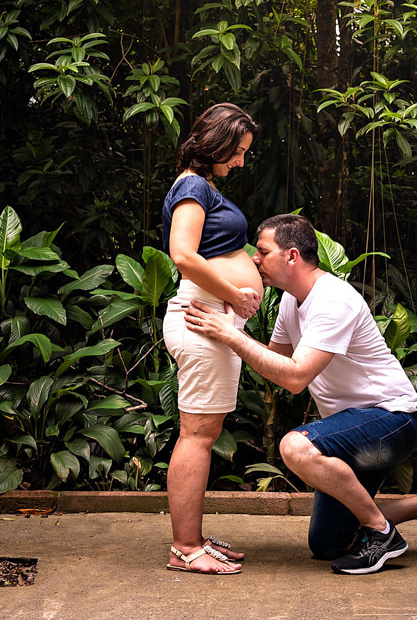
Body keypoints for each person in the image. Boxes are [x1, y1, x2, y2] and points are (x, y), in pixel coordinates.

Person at [185, 213, 417, 574]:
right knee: (328, 544)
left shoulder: (333, 300)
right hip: (350, 430)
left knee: (295, 446)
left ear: (291, 256)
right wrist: (231, 329)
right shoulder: (292, 299)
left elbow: (295, 377)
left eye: (262, 251)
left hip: (393, 420)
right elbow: (275, 363)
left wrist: (232, 337)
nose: (254, 259)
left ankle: (383, 534)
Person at [160, 103, 262, 575]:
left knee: (205, 433)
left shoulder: (202, 186)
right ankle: (185, 547)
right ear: (217, 142)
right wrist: (237, 298)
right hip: (204, 317)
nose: (240, 161)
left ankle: (193, 536)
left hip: (212, 320)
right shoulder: (192, 185)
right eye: (237, 151)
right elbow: (182, 254)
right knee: (197, 436)